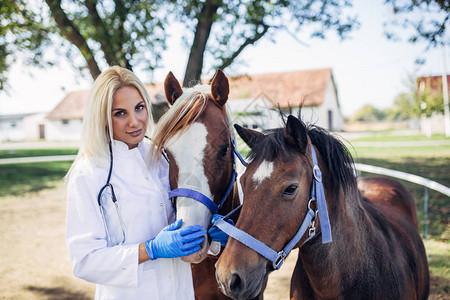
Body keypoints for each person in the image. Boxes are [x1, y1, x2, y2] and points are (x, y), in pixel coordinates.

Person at [65, 66, 210, 299]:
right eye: (120, 113)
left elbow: (181, 224)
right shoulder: (89, 174)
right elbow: (85, 260)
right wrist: (149, 250)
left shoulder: (163, 158)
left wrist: (209, 237)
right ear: (102, 117)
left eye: (139, 108)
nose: (134, 122)